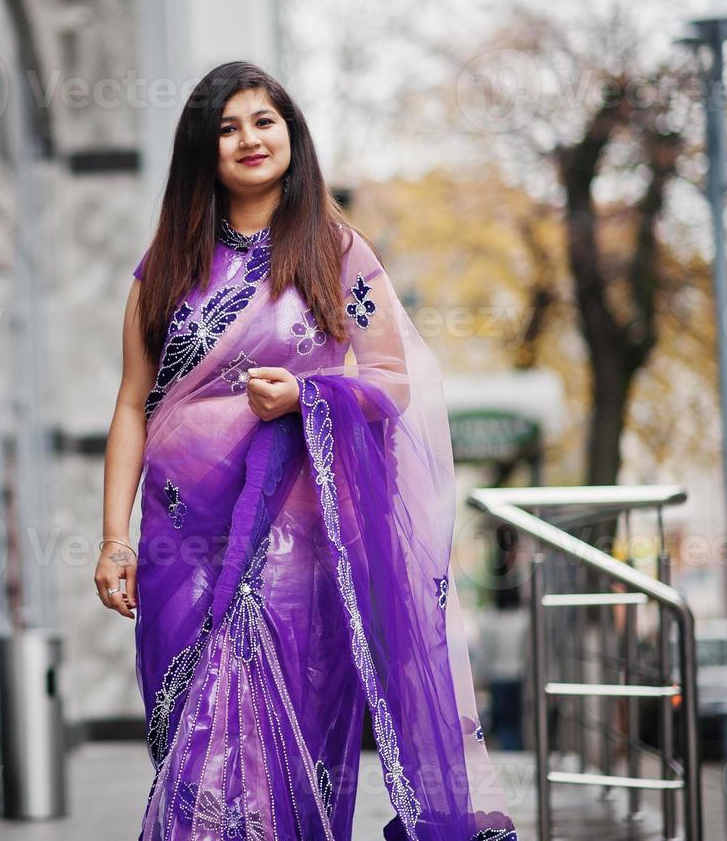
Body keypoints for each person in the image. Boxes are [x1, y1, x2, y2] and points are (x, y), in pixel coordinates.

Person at [95, 61, 519, 840]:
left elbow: (392, 379)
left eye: (263, 120)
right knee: (188, 747)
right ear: (202, 149)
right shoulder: (165, 268)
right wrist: (114, 539)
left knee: (275, 742)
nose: (248, 139)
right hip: (176, 542)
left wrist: (305, 396)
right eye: (227, 127)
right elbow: (131, 404)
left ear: (291, 134)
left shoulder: (333, 251)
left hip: (294, 545)